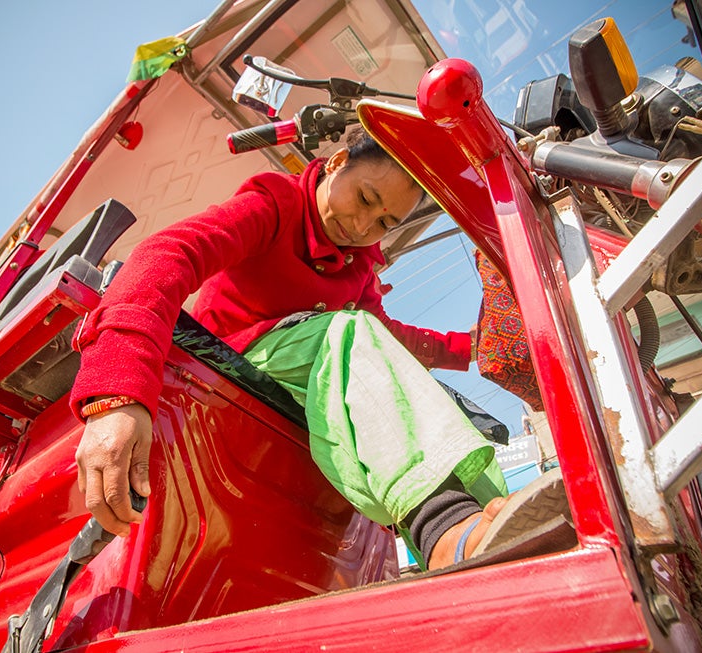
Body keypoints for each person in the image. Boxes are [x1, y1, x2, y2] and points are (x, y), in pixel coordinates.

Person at [70, 127, 533, 570]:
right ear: (336, 163)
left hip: (299, 396)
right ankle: (447, 529)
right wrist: (116, 394)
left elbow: (387, 339)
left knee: (436, 400)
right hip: (223, 378)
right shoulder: (275, 205)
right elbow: (169, 254)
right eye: (366, 198)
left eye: (385, 222)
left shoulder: (358, 270)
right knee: (348, 331)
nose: (362, 224)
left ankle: (497, 521)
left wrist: (471, 347)